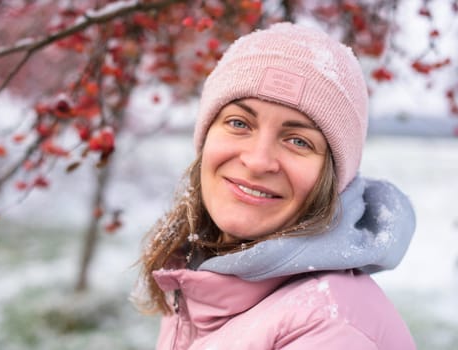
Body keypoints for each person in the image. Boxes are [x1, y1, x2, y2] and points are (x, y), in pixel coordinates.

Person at [134, 22, 416, 349]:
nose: (257, 161)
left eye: (298, 141)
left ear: (333, 178)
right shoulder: (197, 273)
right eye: (239, 123)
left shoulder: (329, 327)